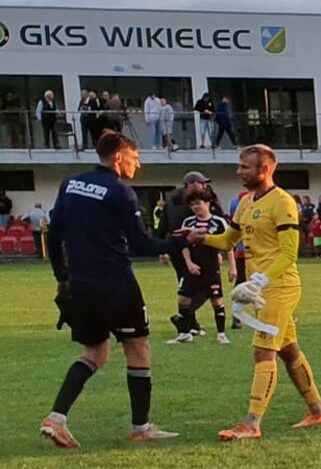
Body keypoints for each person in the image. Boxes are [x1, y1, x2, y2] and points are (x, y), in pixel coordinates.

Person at [37, 132, 202, 448]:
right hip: (116, 285)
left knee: (94, 353)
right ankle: (141, 427)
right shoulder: (120, 192)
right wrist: (183, 240)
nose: (138, 164)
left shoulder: (70, 184)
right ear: (118, 157)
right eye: (135, 157)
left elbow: (54, 235)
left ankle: (56, 418)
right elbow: (141, 244)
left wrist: (62, 278)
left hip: (81, 284)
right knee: (138, 346)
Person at [203, 144, 321, 440]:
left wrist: (259, 280)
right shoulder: (246, 202)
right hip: (260, 289)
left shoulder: (283, 202)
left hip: (279, 287)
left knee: (263, 349)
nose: (239, 171)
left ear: (264, 169)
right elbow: (228, 240)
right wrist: (201, 237)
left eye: (245, 167)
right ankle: (318, 410)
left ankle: (251, 423)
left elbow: (289, 253)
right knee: (289, 350)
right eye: (239, 166)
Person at [168, 184, 232, 345]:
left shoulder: (218, 222)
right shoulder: (188, 222)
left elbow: (228, 245)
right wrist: (189, 263)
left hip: (211, 267)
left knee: (216, 300)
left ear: (207, 203)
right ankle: (184, 333)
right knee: (183, 299)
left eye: (198, 203)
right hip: (192, 267)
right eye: (192, 204)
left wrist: (233, 268)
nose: (195, 207)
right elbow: (184, 245)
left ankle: (221, 334)